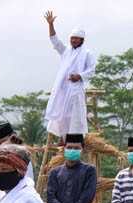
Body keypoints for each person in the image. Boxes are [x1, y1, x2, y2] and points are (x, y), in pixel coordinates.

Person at [43, 11, 96, 142]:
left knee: (73, 116)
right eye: (71, 38)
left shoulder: (87, 53)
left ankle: (73, 140)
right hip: (62, 88)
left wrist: (80, 76)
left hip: (75, 90)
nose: (72, 40)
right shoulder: (65, 50)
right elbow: (54, 40)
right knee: (61, 115)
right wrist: (51, 24)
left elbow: (92, 70)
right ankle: (62, 138)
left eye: (75, 38)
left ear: (81, 40)